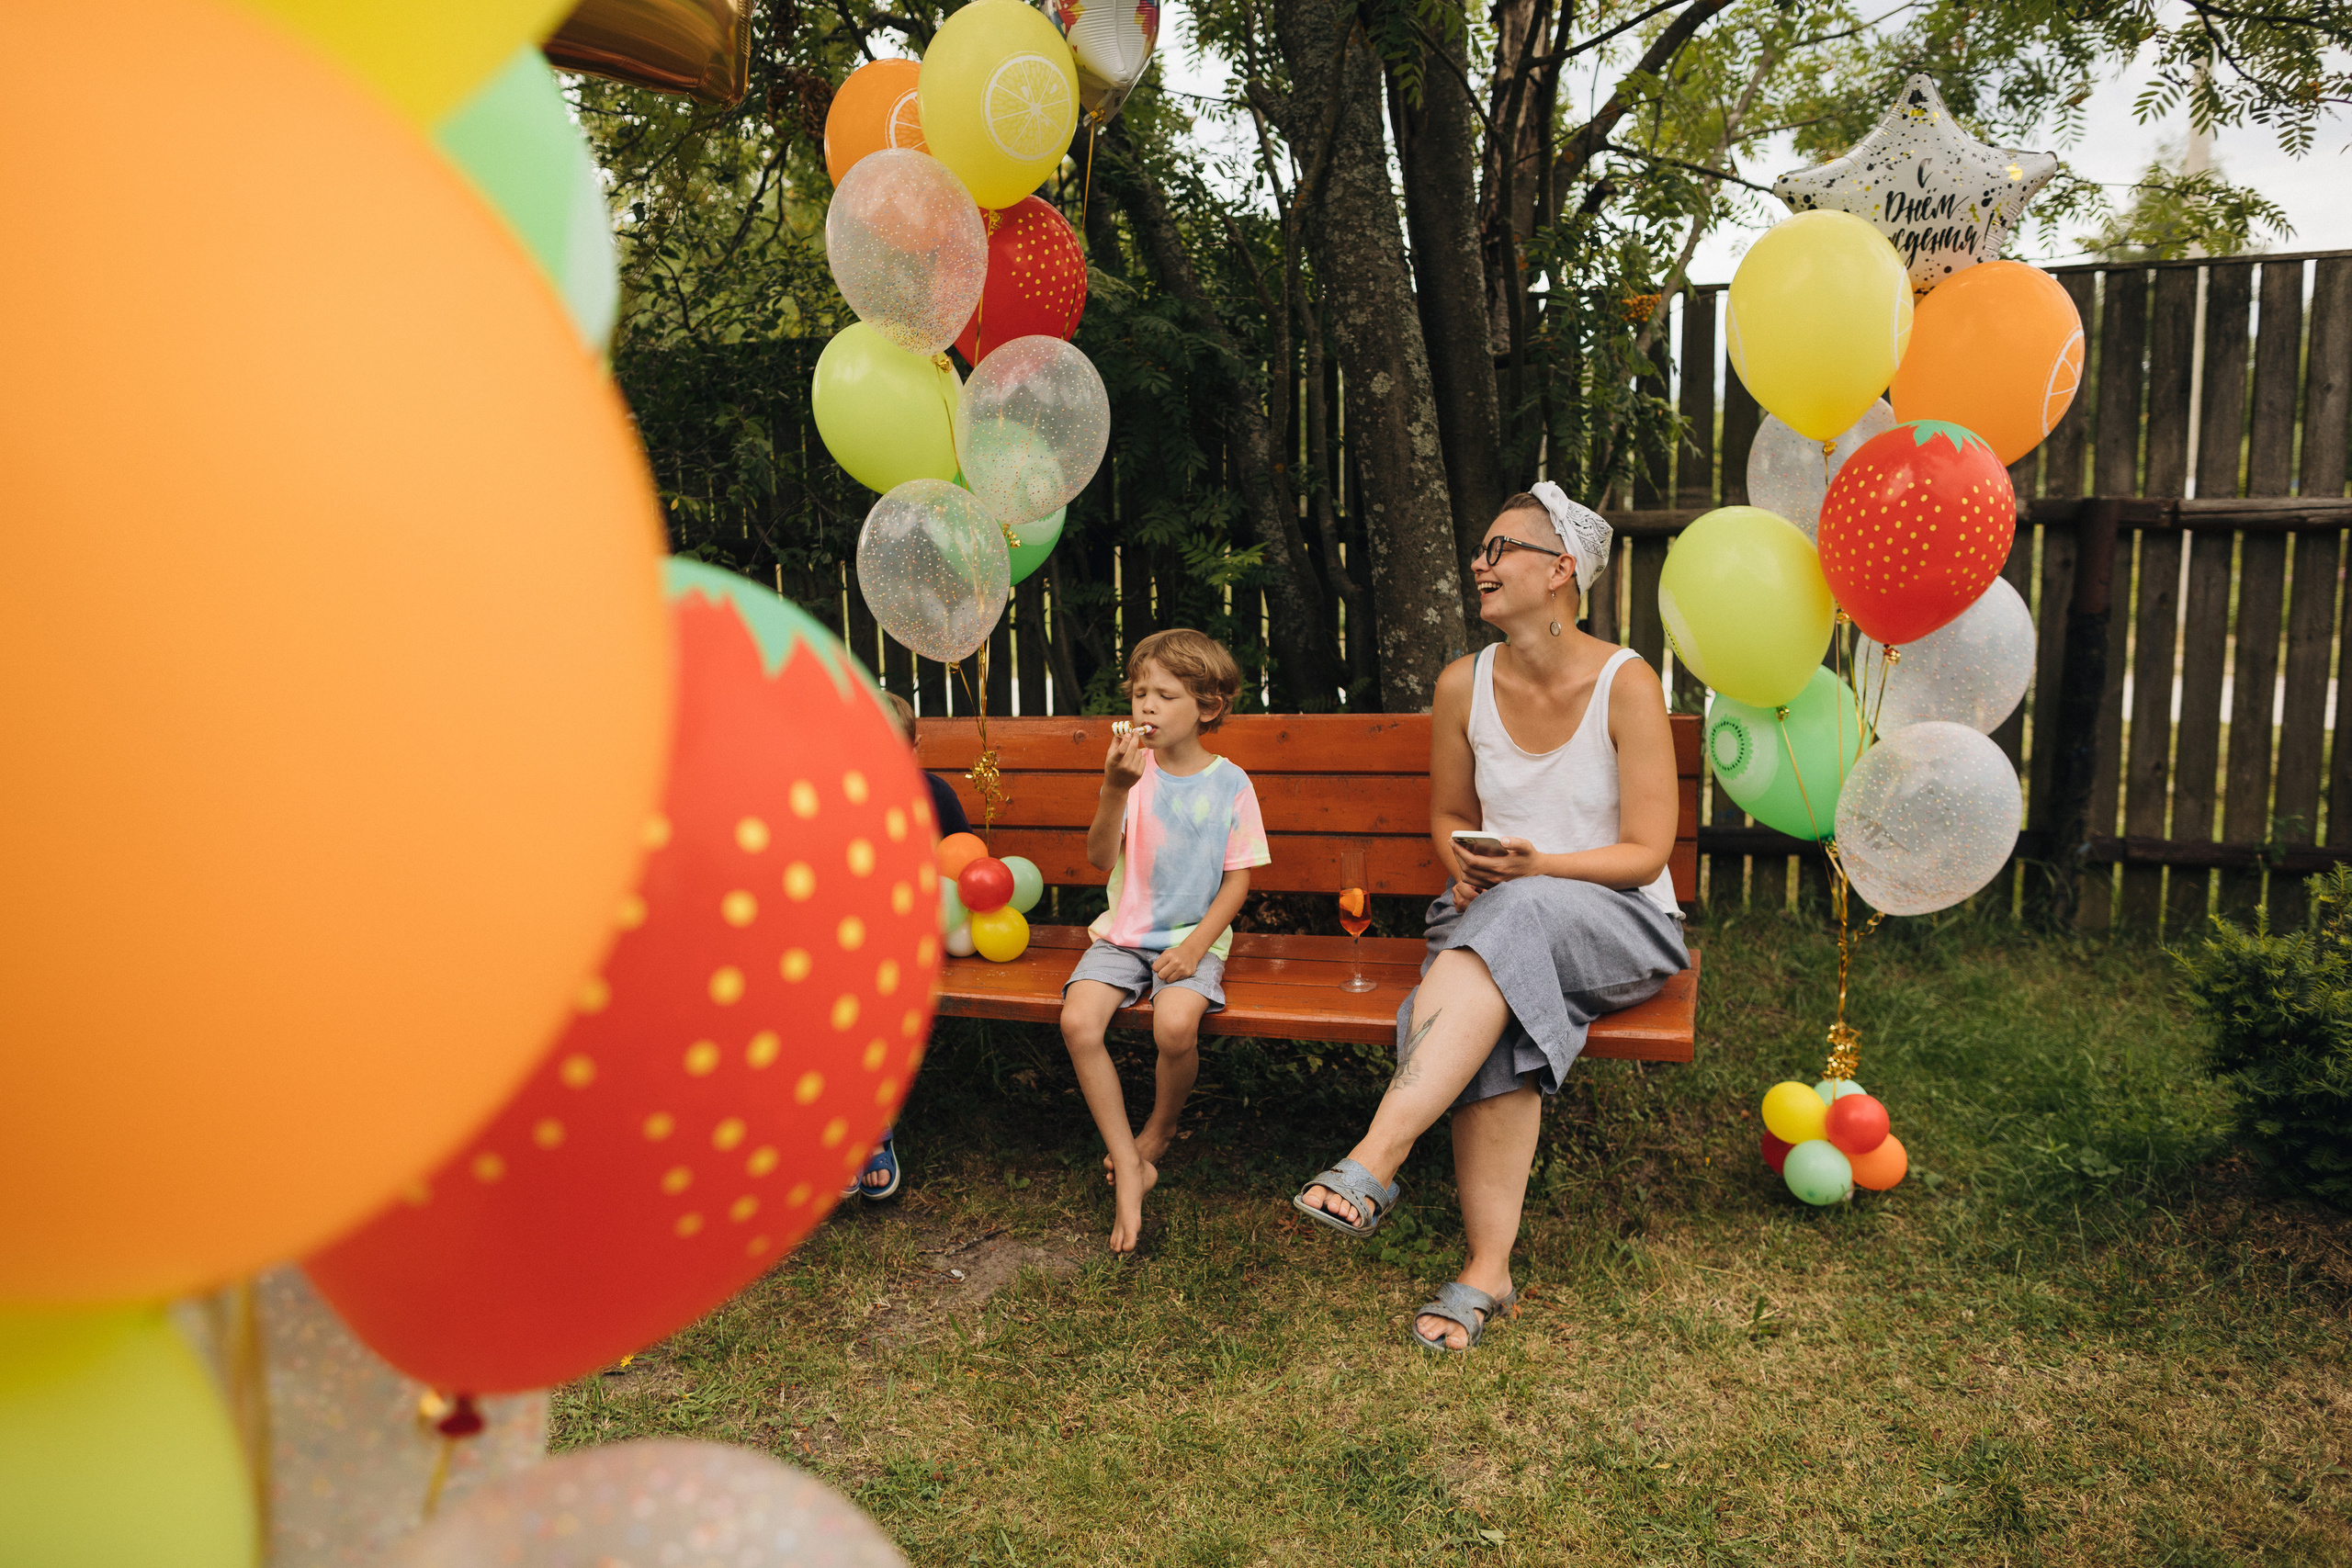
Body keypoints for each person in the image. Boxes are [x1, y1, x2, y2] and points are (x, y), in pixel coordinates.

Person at [1290, 483, 1688, 1351]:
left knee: (1518, 919)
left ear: (1561, 569)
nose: (1481, 562)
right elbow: (1447, 815)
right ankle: (1487, 1270)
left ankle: (1377, 1155)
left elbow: (1647, 852)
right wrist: (1464, 862)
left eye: (1501, 547)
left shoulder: (1626, 681)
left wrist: (1535, 865)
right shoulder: (1460, 684)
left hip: (1619, 918)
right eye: (1482, 548)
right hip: (1488, 913)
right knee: (1502, 975)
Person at [1060, 630, 1269, 1252]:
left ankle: (1161, 1127)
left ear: (1208, 706)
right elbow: (1100, 857)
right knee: (1078, 1023)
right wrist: (1114, 789)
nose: (1146, 705)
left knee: (1175, 1027)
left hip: (1194, 938)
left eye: (1165, 694)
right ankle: (1128, 1160)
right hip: (1124, 936)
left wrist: (1198, 945)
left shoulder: (1231, 783)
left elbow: (1237, 883)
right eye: (1139, 691)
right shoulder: (1131, 774)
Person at [843, 691, 970, 1202]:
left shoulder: (935, 796)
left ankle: (872, 1131)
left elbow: (965, 867)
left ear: (916, 747)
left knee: (876, 997)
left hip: (918, 933)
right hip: (854, 936)